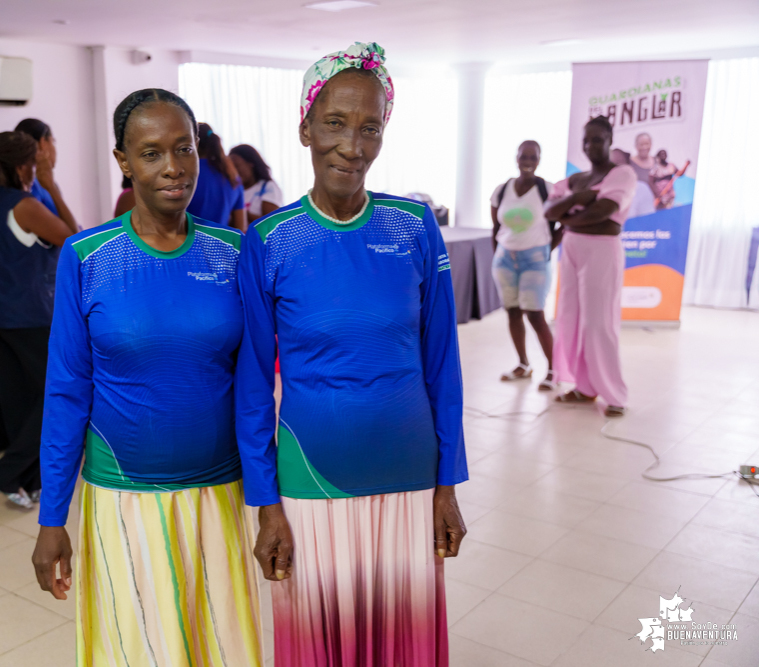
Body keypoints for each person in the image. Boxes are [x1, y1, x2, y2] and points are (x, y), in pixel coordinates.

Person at [237, 42, 467, 666]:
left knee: (402, 644)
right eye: (335, 123)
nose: (352, 145)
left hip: (409, 478)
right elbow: (254, 385)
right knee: (322, 645)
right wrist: (266, 506)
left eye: (370, 127)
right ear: (306, 126)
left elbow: (442, 366)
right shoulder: (269, 240)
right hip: (312, 480)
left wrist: (448, 485)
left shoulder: (414, 226)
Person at [32, 89, 263, 667]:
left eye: (182, 149)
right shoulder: (88, 256)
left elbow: (256, 388)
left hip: (219, 494)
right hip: (123, 497)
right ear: (123, 161)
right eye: (152, 152)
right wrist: (51, 518)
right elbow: (66, 391)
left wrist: (269, 501)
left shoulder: (234, 252)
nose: (173, 168)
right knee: (139, 652)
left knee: (221, 649)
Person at [0, 131, 78, 507]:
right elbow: (73, 238)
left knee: (19, 401)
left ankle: (27, 482)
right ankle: (8, 473)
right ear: (24, 166)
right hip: (26, 316)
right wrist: (52, 185)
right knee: (59, 394)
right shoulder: (24, 205)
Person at [545, 115, 638, 417]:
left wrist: (569, 214)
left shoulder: (622, 174)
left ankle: (614, 395)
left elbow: (605, 211)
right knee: (570, 319)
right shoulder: (576, 180)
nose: (590, 145)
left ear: (610, 141)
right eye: (586, 140)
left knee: (599, 323)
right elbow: (549, 211)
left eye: (597, 139)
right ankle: (584, 388)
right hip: (571, 251)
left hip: (601, 251)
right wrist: (581, 198)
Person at [490, 140, 560, 390]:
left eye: (533, 157)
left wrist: (546, 249)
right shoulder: (502, 189)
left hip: (535, 259)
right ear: (516, 158)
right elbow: (496, 228)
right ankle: (523, 364)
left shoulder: (547, 190)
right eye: (524, 157)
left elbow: (565, 223)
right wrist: (497, 254)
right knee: (513, 312)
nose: (528, 162)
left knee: (535, 314)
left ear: (539, 160)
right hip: (505, 259)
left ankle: (554, 369)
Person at [14, 118, 80, 230]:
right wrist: (51, 188)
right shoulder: (36, 187)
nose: (54, 148)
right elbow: (73, 236)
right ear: (42, 143)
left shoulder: (17, 182)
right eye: (53, 141)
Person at [187, 122, 247, 231]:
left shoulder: (187, 174)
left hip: (190, 245)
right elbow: (241, 229)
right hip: (223, 245)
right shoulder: (232, 176)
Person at [230, 144, 283, 223]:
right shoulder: (232, 190)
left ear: (251, 163)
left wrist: (239, 213)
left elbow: (270, 223)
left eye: (237, 166)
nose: (234, 172)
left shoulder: (268, 187)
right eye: (230, 168)